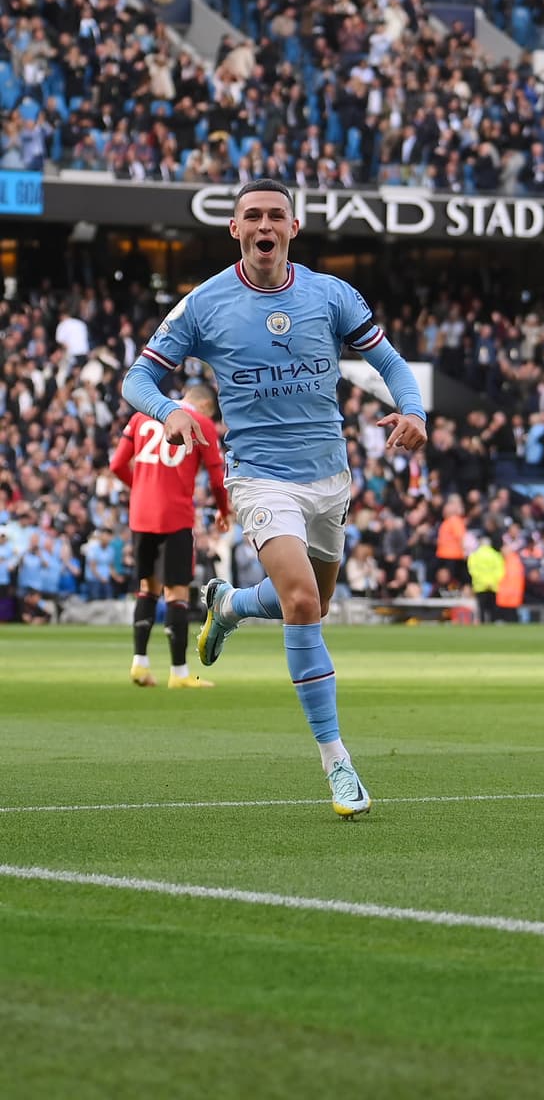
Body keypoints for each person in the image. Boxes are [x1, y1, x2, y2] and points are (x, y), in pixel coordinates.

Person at [121, 178, 427, 817]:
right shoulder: (204, 304)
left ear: (292, 227)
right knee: (301, 602)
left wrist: (414, 411)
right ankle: (337, 763)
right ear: (235, 229)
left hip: (329, 478)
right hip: (259, 476)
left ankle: (230, 604)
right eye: (252, 216)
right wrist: (168, 408)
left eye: (275, 216)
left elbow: (392, 365)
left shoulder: (330, 294)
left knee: (317, 596)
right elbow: (138, 377)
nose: (265, 225)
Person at [109, 380, 232, 688]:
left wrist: (140, 488)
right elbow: (218, 479)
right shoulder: (201, 423)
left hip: (140, 515)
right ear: (204, 406)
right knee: (175, 592)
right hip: (175, 514)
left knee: (147, 588)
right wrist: (223, 510)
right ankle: (178, 673)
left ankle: (139, 663)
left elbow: (116, 465)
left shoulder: (140, 418)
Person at [466, 534, 504, 623]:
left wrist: (482, 581)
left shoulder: (475, 555)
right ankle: (494, 621)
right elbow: (500, 571)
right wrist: (493, 581)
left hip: (480, 585)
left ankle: (482, 622)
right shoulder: (496, 555)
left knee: (481, 607)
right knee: (493, 606)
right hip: (493, 585)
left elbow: (472, 570)